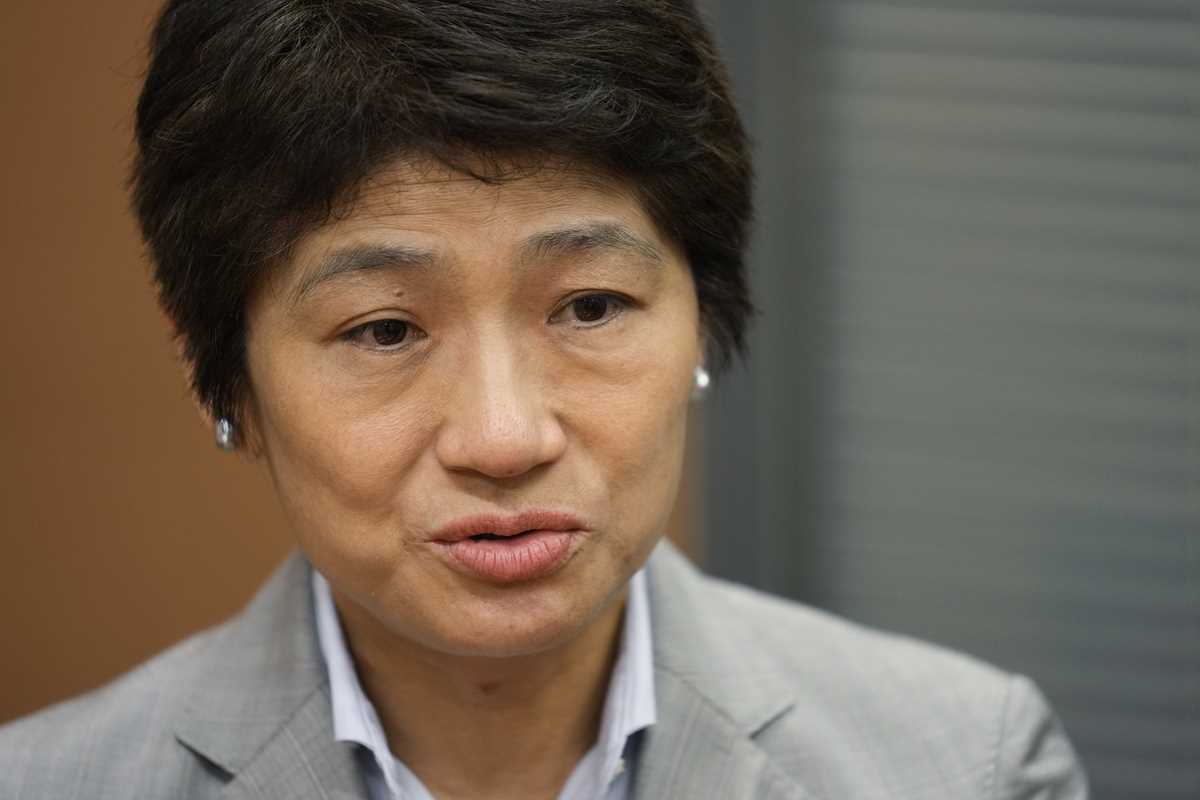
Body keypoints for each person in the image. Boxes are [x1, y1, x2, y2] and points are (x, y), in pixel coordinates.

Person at [0, 1, 1088, 798]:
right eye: (384, 329)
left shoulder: (969, 764)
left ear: (702, 313)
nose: (504, 437)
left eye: (591, 307)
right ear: (220, 368)